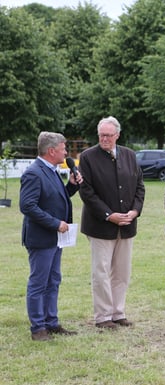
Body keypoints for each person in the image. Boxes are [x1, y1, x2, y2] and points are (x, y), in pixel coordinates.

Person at [79, 116, 145, 330]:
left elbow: (139, 186)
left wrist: (135, 211)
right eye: (101, 135)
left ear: (117, 135)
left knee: (122, 272)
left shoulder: (129, 155)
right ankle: (103, 316)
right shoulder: (88, 157)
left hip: (126, 225)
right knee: (101, 272)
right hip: (100, 225)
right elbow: (86, 192)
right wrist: (109, 215)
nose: (104, 139)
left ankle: (118, 312)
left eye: (108, 135)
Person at [20, 132, 83, 341]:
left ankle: (51, 322)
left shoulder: (52, 170)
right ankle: (38, 328)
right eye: (64, 149)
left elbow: (54, 198)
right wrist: (55, 223)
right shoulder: (34, 173)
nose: (67, 153)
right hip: (42, 238)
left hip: (55, 238)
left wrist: (71, 186)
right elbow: (27, 206)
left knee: (53, 280)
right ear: (51, 151)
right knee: (39, 283)